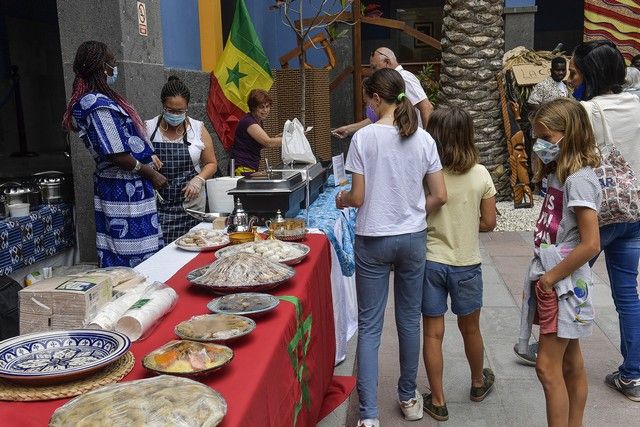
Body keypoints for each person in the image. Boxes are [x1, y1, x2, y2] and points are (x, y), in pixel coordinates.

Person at [335, 68, 446, 427]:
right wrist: (412, 210)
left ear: (376, 99)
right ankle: (408, 397)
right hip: (413, 238)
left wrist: (342, 199)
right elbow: (440, 195)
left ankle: (368, 415)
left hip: (373, 239)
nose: (366, 105)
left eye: (367, 99)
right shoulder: (424, 139)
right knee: (409, 321)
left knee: (370, 326)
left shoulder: (364, 139)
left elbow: (358, 196)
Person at [520, 98, 601, 426]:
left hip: (564, 284)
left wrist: (550, 277)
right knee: (570, 364)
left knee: (546, 367)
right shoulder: (560, 173)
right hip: (558, 280)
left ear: (568, 135)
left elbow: (591, 243)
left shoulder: (578, 179)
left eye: (547, 137)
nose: (541, 144)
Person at [569, 40, 640, 402]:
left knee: (565, 280)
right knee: (627, 294)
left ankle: (549, 346)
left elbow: (560, 157)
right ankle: (634, 375)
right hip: (634, 211)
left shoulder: (585, 111)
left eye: (576, 70)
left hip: (596, 215)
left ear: (588, 74)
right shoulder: (638, 104)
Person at [420, 106, 497, 421]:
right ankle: (478, 383)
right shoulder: (480, 174)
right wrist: (466, 223)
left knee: (432, 334)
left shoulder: (426, 176)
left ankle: (438, 400)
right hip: (466, 264)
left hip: (430, 262)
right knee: (470, 328)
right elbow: (489, 222)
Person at [62, 41, 166, 268]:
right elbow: (115, 153)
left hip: (130, 188)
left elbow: (125, 139)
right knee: (132, 257)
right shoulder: (95, 104)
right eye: (112, 62)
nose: (115, 67)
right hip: (123, 191)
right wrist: (149, 172)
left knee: (141, 251)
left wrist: (148, 154)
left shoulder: (100, 100)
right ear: (102, 67)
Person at [145, 76, 218, 243]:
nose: (175, 115)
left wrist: (198, 179)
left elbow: (211, 163)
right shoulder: (148, 128)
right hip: (158, 207)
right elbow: (136, 160)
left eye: (180, 112)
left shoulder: (198, 129)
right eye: (170, 110)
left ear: (187, 108)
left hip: (190, 207)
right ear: (163, 106)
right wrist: (147, 158)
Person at [332, 47, 434, 138]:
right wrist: (349, 129)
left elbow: (426, 107)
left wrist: (429, 139)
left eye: (374, 67)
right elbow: (379, 118)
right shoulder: (392, 82)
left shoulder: (404, 77)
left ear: (387, 62)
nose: (372, 73)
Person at [231, 89, 281, 176]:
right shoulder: (249, 122)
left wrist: (278, 137)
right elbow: (268, 142)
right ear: (253, 107)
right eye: (261, 107)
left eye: (267, 106)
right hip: (242, 168)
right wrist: (291, 139)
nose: (265, 110)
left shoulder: (257, 120)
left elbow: (263, 143)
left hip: (251, 166)